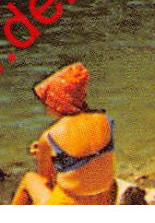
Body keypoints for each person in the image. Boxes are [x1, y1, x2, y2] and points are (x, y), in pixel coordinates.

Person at [12, 63, 118, 205]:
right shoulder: (104, 120)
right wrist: (56, 155)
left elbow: (47, 181)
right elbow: (86, 153)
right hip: (101, 201)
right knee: (110, 182)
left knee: (29, 179)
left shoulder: (50, 136)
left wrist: (44, 154)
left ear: (56, 101)